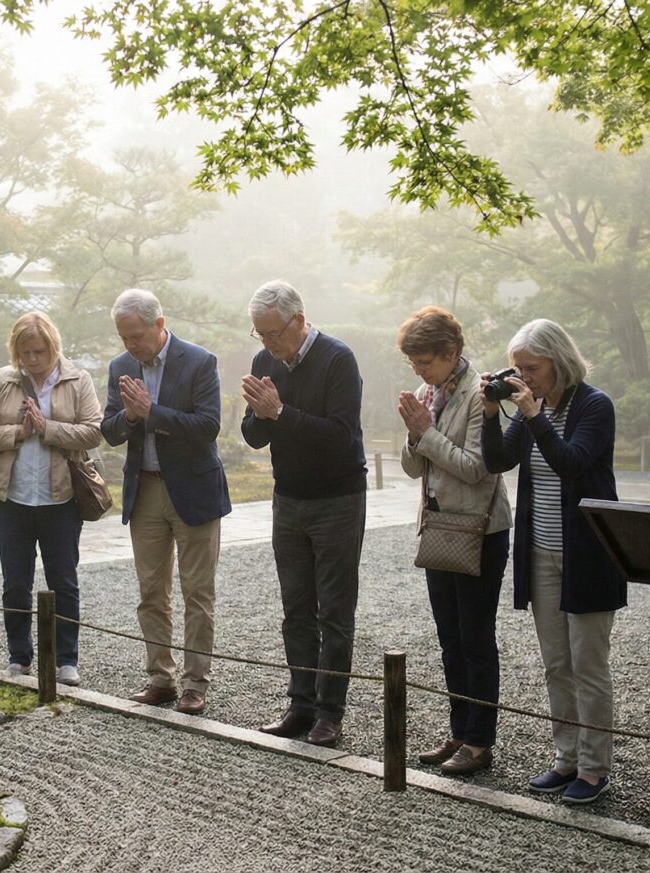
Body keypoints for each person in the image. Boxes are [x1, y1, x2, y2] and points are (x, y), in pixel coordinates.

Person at [479, 318, 625, 804]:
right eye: (517, 368)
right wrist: (488, 413)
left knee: (588, 663)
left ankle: (594, 768)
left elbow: (570, 462)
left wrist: (532, 415)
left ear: (559, 362)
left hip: (587, 553)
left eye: (532, 368)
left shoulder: (593, 405)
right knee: (556, 663)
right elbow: (500, 460)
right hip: (540, 551)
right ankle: (565, 760)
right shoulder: (529, 408)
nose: (524, 376)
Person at [241, 280, 368, 748]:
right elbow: (255, 436)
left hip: (337, 498)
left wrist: (279, 411)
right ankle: (300, 703)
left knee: (334, 610)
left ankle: (330, 712)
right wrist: (261, 413)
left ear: (299, 320)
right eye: (261, 335)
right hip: (287, 496)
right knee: (296, 609)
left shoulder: (338, 358)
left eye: (274, 333)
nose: (269, 344)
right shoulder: (264, 361)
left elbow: (340, 435)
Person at [101, 288, 232, 715]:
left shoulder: (199, 361)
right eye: (124, 337)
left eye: (137, 335)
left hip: (192, 490)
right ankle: (161, 677)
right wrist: (131, 416)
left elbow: (207, 426)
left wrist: (152, 411)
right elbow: (110, 429)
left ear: (160, 324)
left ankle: (196, 683)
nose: (131, 346)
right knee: (150, 592)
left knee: (198, 592)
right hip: (145, 490)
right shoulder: (120, 367)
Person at [396, 307, 514, 775]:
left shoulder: (478, 393)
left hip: (480, 530)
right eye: (414, 365)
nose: (419, 372)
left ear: (450, 352)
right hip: (440, 528)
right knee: (449, 638)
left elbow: (475, 466)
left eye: (424, 362)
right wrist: (414, 434)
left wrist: (425, 433)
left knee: (475, 638)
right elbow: (412, 468)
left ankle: (480, 740)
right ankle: (460, 730)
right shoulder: (432, 392)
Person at [0, 311, 102, 685]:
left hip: (60, 499)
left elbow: (93, 432)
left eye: (39, 352)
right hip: (11, 498)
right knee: (15, 581)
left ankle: (66, 661)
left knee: (64, 580)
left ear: (53, 347)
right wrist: (18, 431)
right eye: (25, 352)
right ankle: (19, 656)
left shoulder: (77, 379)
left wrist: (48, 430)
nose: (32, 360)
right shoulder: (4, 380)